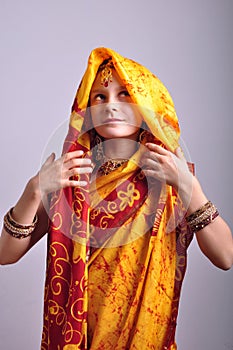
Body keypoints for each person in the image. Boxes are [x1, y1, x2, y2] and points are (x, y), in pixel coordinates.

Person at [0, 47, 232, 350]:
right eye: (100, 97)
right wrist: (34, 190)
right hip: (78, 338)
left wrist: (189, 186)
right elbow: (6, 254)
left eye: (125, 94)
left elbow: (226, 257)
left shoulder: (168, 175)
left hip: (144, 337)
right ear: (86, 109)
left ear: (146, 104)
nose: (111, 106)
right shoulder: (71, 177)